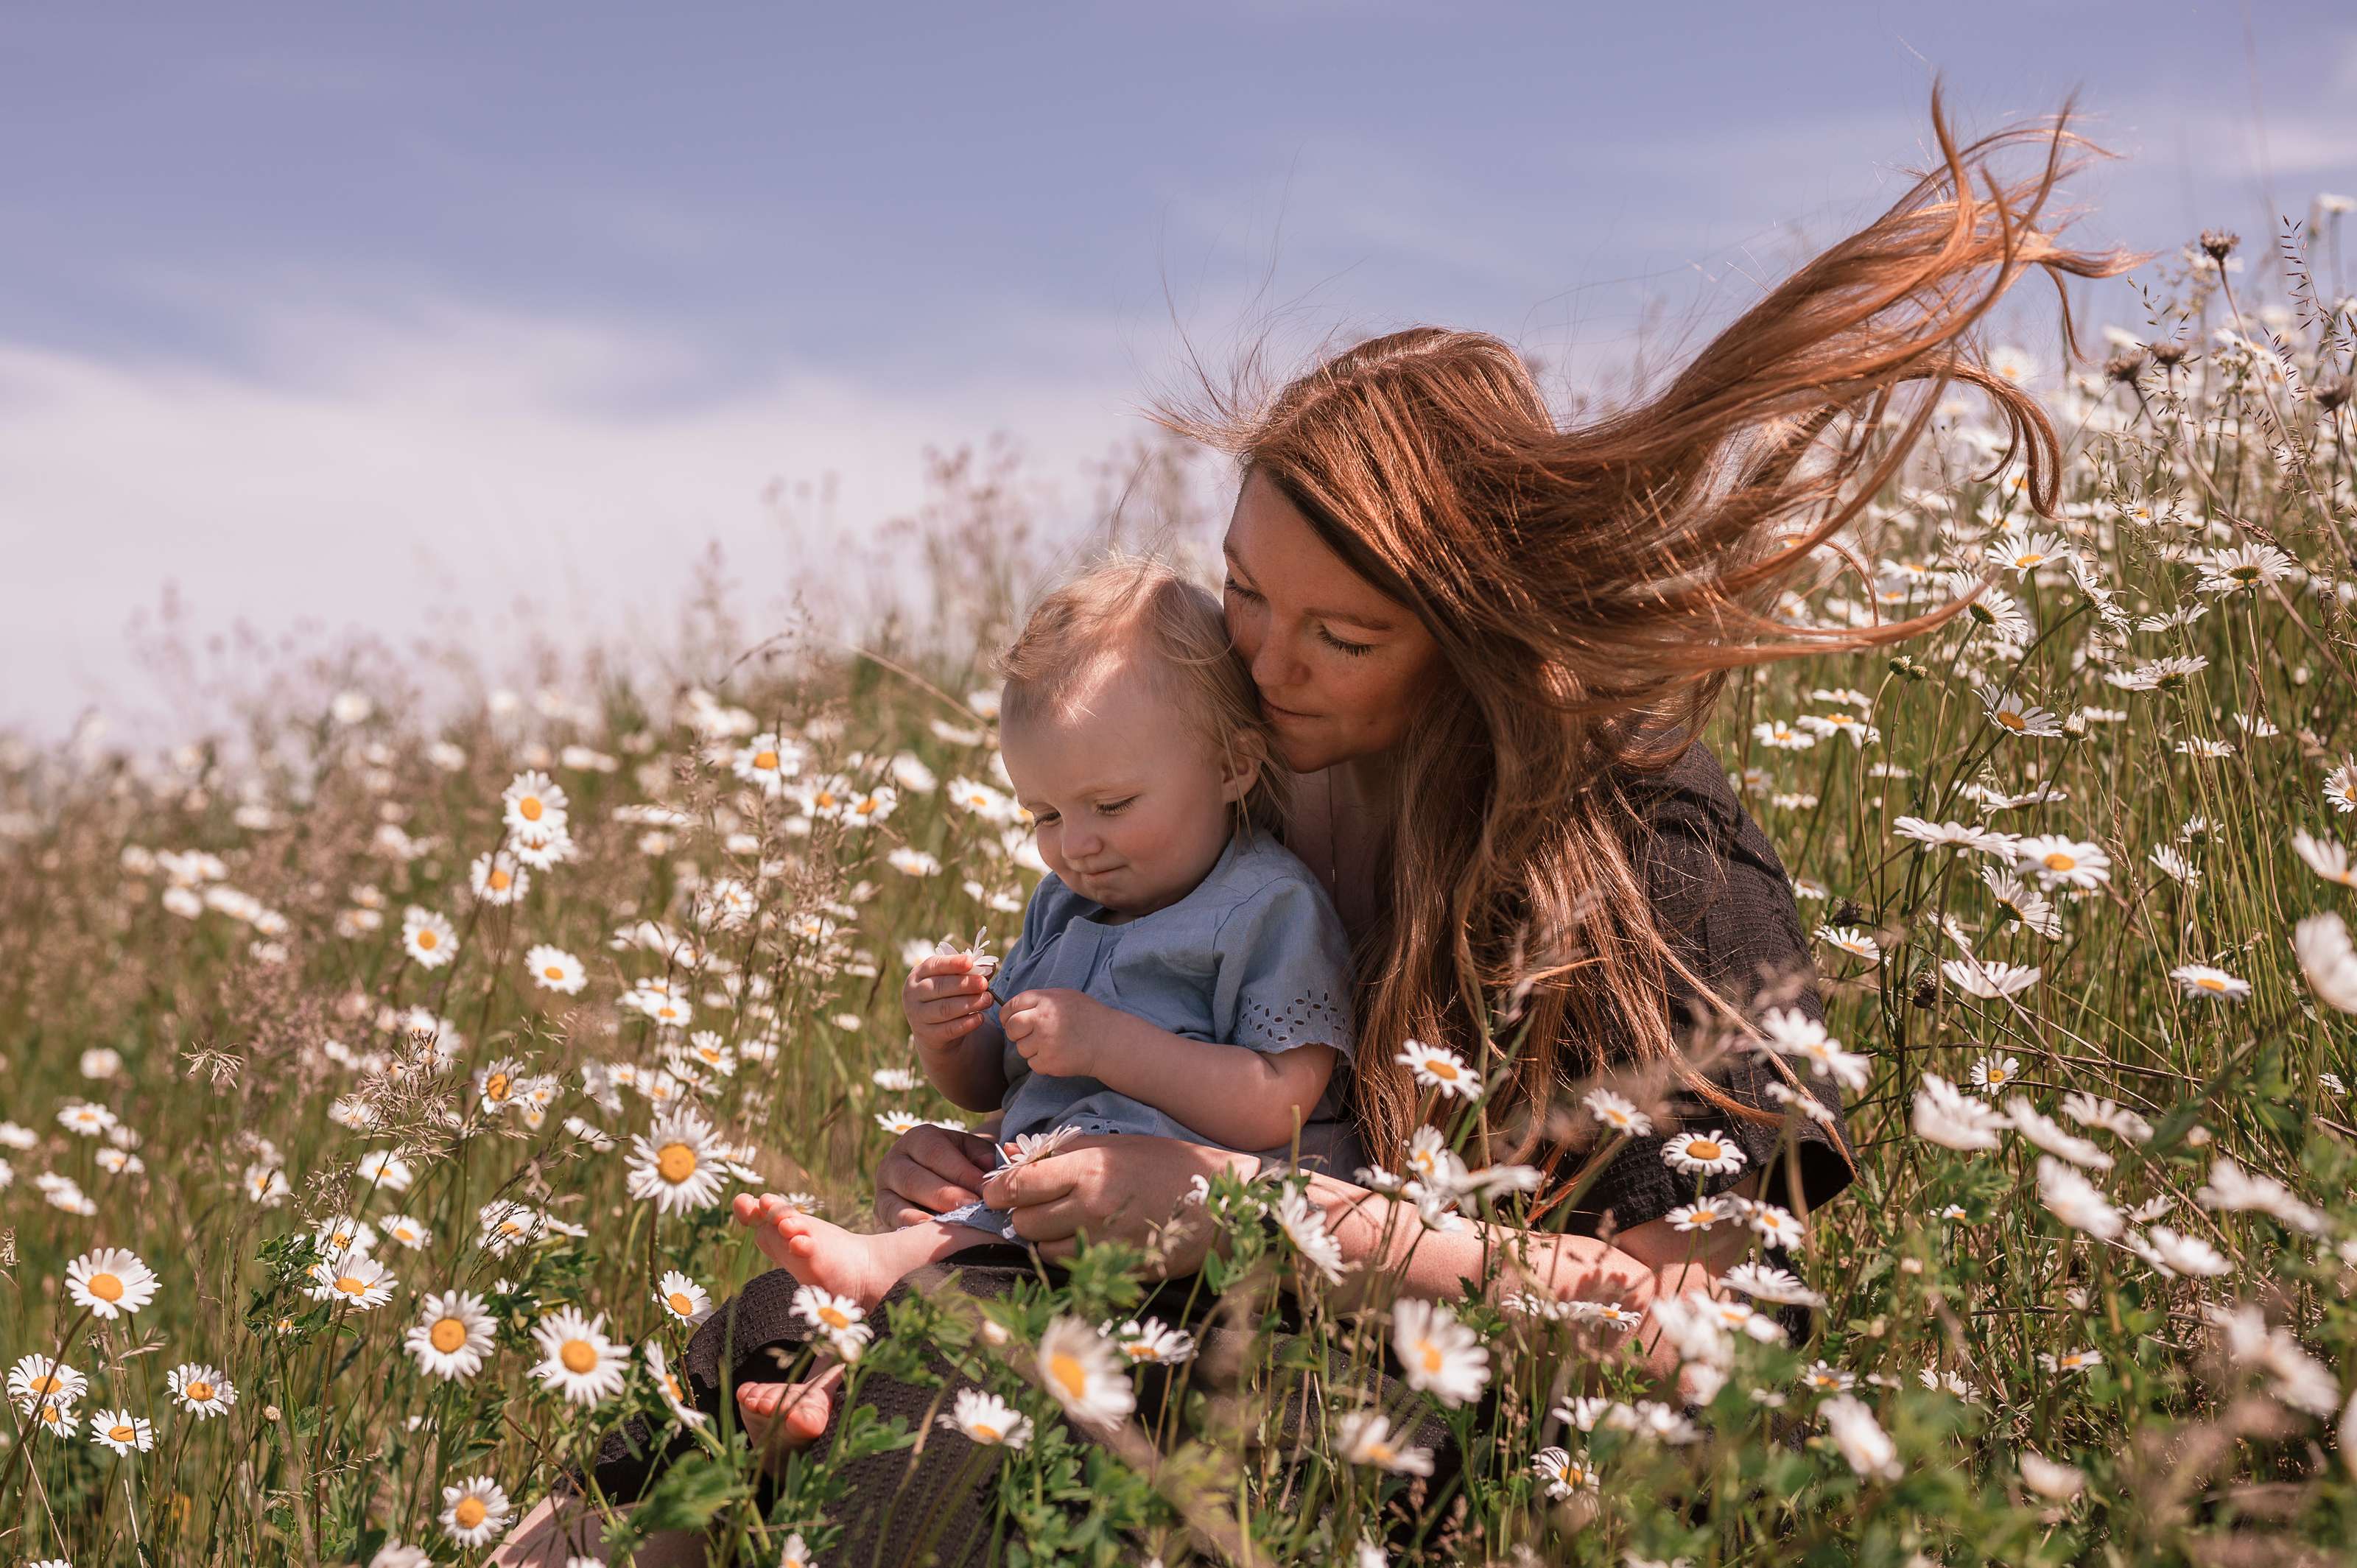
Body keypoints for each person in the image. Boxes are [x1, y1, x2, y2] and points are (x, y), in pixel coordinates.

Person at [494, 90, 2136, 1566]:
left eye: (1340, 638)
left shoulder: (1653, 855)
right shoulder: (1232, 772)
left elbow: (1685, 1324)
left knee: (954, 1406)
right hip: (1167, 1315)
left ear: (1476, 633)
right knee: (788, 1323)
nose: (1266, 666)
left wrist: (1247, 1203)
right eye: (1246, 591)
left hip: (1464, 1420)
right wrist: (996, 1177)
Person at [729, 554, 1361, 1317]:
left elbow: (1281, 1102)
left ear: (1231, 765)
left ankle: (874, 1272)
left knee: (938, 1271)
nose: (1076, 844)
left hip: (1195, 1248)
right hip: (1042, 1203)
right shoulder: (1062, 906)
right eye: (1046, 816)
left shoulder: (1268, 903)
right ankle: (818, 1382)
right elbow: (995, 1081)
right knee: (922, 1298)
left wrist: (1106, 1044)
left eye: (1112, 803)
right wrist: (951, 1035)